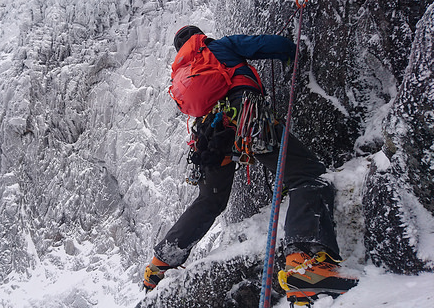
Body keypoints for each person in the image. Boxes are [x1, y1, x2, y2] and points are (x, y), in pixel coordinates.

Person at [142, 26, 358, 305]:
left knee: (209, 200)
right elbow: (263, 44)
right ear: (200, 37)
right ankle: (306, 263)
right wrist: (292, 51)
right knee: (305, 175)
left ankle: (159, 264)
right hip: (245, 116)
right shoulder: (219, 47)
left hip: (210, 137)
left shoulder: (183, 72)